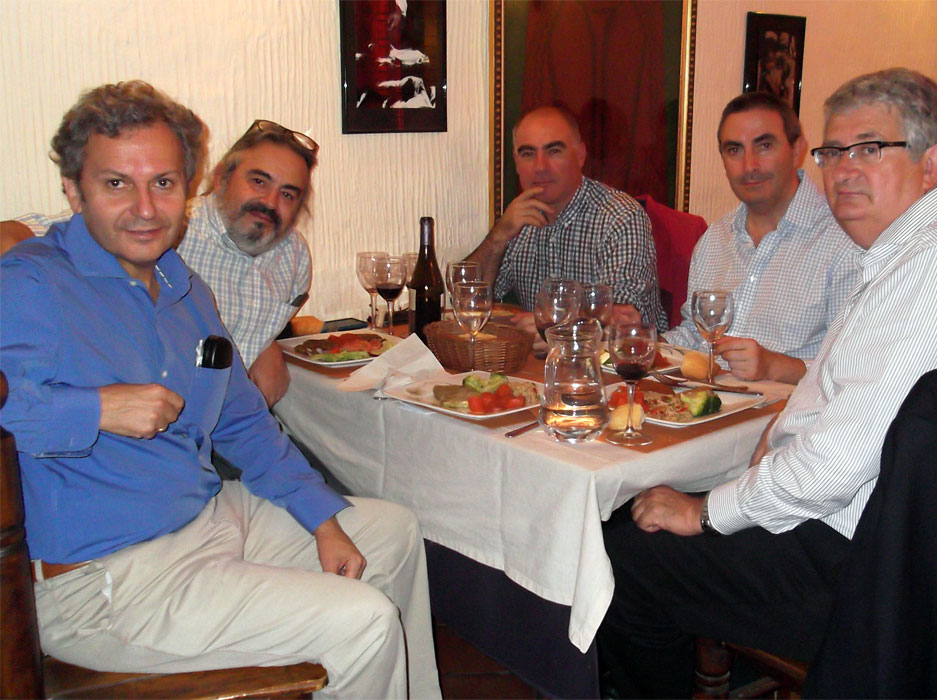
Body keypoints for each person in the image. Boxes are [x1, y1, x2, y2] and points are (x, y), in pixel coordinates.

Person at [0, 81, 441, 700]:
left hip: (208, 518)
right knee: (362, 622)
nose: (145, 208)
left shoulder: (184, 288)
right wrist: (95, 408)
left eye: (163, 182)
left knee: (392, 531)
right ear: (74, 191)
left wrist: (321, 519)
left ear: (187, 188)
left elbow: (243, 423)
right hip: (109, 579)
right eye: (117, 183)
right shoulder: (30, 283)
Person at [597, 68, 937, 698]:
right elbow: (851, 396)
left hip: (872, 570)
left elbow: (837, 466)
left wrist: (707, 512)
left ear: (932, 162)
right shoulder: (920, 247)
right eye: (833, 152)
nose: (843, 170)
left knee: (623, 559)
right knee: (639, 520)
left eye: (870, 149)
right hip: (879, 533)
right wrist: (779, 436)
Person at [2, 119, 318, 408]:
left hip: (227, 424)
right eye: (259, 181)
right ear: (221, 177)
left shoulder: (294, 257)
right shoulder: (162, 226)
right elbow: (14, 238)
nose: (270, 202)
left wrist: (268, 345)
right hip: (133, 426)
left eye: (288, 194)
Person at [663, 91, 859, 384]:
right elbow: (694, 333)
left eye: (764, 146)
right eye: (734, 150)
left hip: (788, 408)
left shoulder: (845, 239)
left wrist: (777, 367)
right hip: (706, 403)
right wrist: (643, 346)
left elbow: (856, 366)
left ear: (797, 150)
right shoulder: (715, 238)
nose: (749, 166)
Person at [466, 105, 669, 333]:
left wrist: (553, 325)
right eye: (528, 154)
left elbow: (624, 316)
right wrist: (499, 235)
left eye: (554, 151)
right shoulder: (518, 219)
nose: (540, 167)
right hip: (539, 355)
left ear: (580, 155)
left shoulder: (620, 217)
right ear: (516, 162)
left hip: (618, 355)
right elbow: (467, 301)